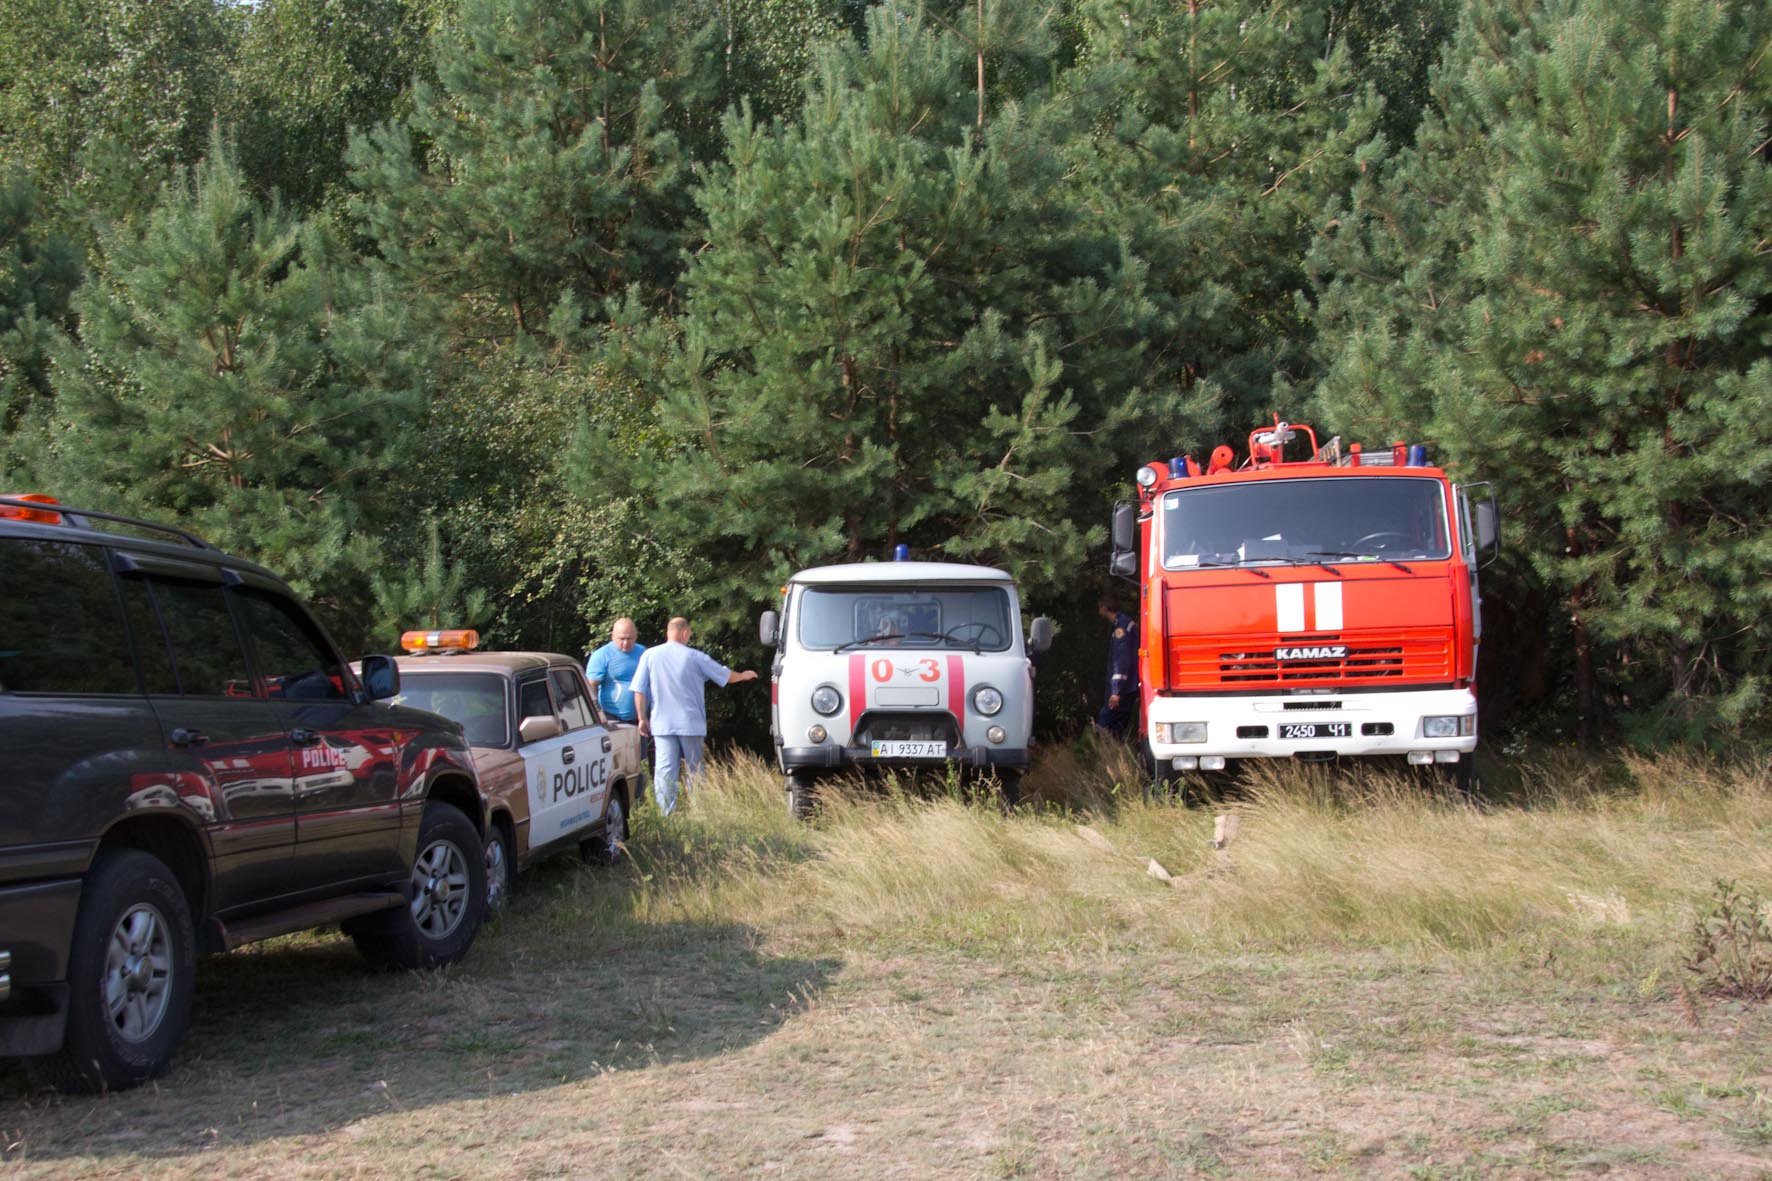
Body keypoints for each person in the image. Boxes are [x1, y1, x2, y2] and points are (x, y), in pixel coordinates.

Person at [630, 617, 759, 816]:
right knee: (695, 770)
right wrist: (743, 675)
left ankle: (666, 814)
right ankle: (699, 813)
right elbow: (725, 676)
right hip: (690, 723)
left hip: (662, 724)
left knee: (665, 772)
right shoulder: (695, 656)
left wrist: (642, 719)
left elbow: (639, 689)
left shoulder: (649, 655)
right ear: (685, 633)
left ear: (668, 632)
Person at [585, 617, 646, 724]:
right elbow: (591, 687)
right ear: (613, 636)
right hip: (612, 718)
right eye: (622, 639)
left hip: (642, 717)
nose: (625, 643)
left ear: (636, 636)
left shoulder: (643, 652)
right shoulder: (601, 655)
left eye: (629, 638)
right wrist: (596, 716)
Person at [1096, 591, 1138, 737]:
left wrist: (1116, 692)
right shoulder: (1124, 623)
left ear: (1104, 608)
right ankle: (1116, 750)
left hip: (1123, 689)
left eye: (1100, 607)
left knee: (1104, 724)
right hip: (1128, 687)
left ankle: (1103, 750)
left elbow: (1121, 661)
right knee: (1117, 729)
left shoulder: (1121, 627)